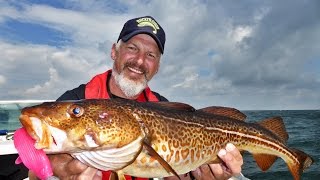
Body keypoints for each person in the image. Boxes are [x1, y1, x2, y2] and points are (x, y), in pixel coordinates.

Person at [50, 16, 243, 180]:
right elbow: (31, 161)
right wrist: (53, 168)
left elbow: (175, 173)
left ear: (157, 66)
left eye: (151, 54)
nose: (140, 61)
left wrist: (200, 176)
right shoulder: (75, 101)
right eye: (133, 48)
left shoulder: (164, 108)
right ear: (114, 51)